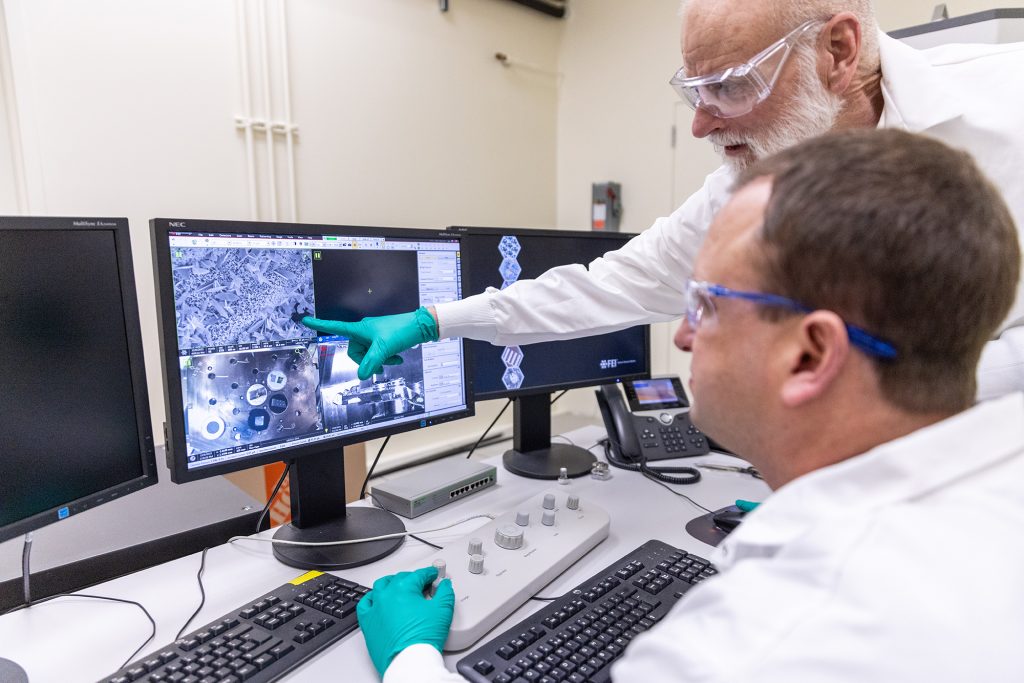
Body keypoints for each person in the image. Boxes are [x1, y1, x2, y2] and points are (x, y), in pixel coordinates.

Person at [355, 129, 1024, 681]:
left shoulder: (755, 645)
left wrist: (412, 659)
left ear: (811, 354)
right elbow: (604, 285)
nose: (679, 333)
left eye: (704, 304)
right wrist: (435, 319)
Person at [303, 0, 1024, 399]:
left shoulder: (1007, 113)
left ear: (836, 52)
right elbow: (610, 285)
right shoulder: (750, 183)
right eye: (694, 90)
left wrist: (850, 426)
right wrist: (435, 319)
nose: (702, 124)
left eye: (732, 86)